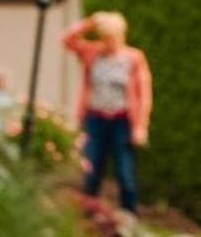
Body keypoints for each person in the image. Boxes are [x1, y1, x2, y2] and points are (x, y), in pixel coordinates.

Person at [63, 11, 153, 219]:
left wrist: (140, 127)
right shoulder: (93, 53)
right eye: (104, 38)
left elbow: (144, 93)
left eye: (112, 38)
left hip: (122, 120)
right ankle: (88, 213)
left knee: (125, 171)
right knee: (92, 167)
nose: (108, 42)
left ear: (121, 36)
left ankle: (129, 216)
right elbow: (67, 40)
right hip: (96, 119)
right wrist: (91, 22)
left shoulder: (133, 58)